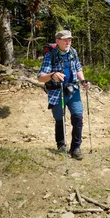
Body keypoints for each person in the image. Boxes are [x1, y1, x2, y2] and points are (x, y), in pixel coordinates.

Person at [37, 30, 91, 160]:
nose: (68, 42)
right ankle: (61, 144)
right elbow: (40, 77)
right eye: (65, 39)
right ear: (57, 41)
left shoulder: (73, 51)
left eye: (70, 39)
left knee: (78, 117)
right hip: (57, 92)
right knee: (59, 119)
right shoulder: (50, 55)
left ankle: (76, 148)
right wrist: (52, 75)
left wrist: (83, 80)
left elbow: (78, 68)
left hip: (73, 90)